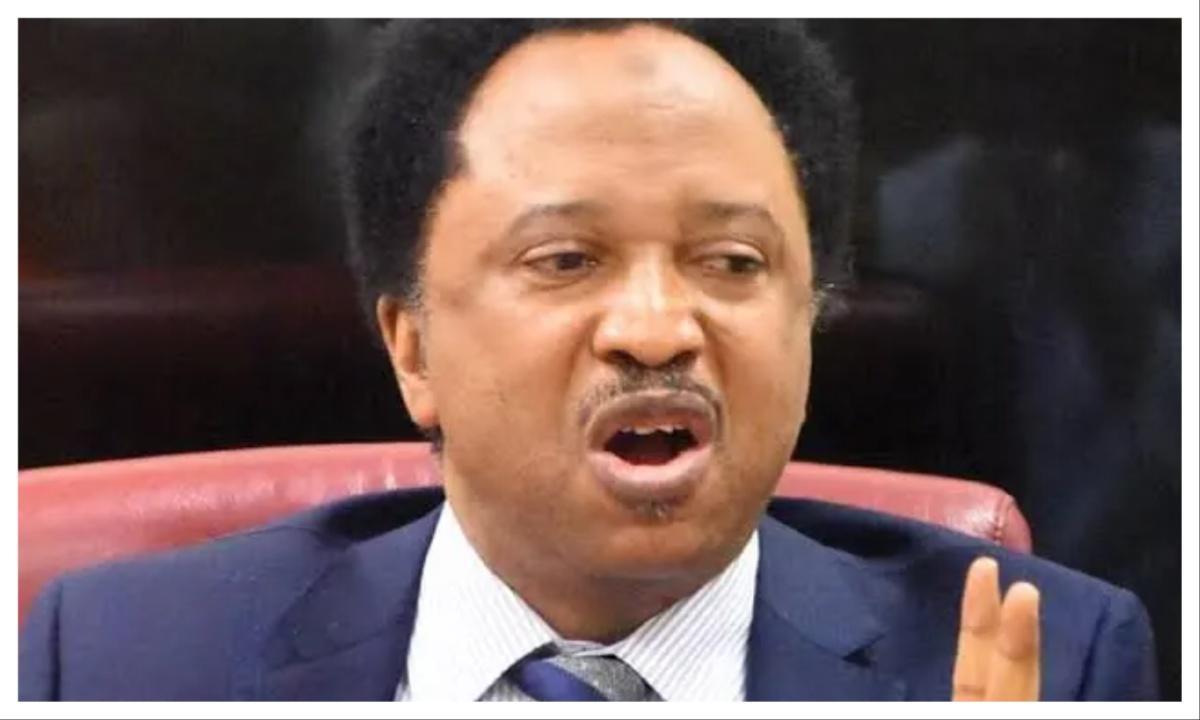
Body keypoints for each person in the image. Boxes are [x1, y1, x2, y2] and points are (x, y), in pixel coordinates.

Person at [19, 19, 1157, 701]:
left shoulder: (1050, 665)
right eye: (566, 260)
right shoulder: (126, 662)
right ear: (413, 348)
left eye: (731, 262)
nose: (658, 329)